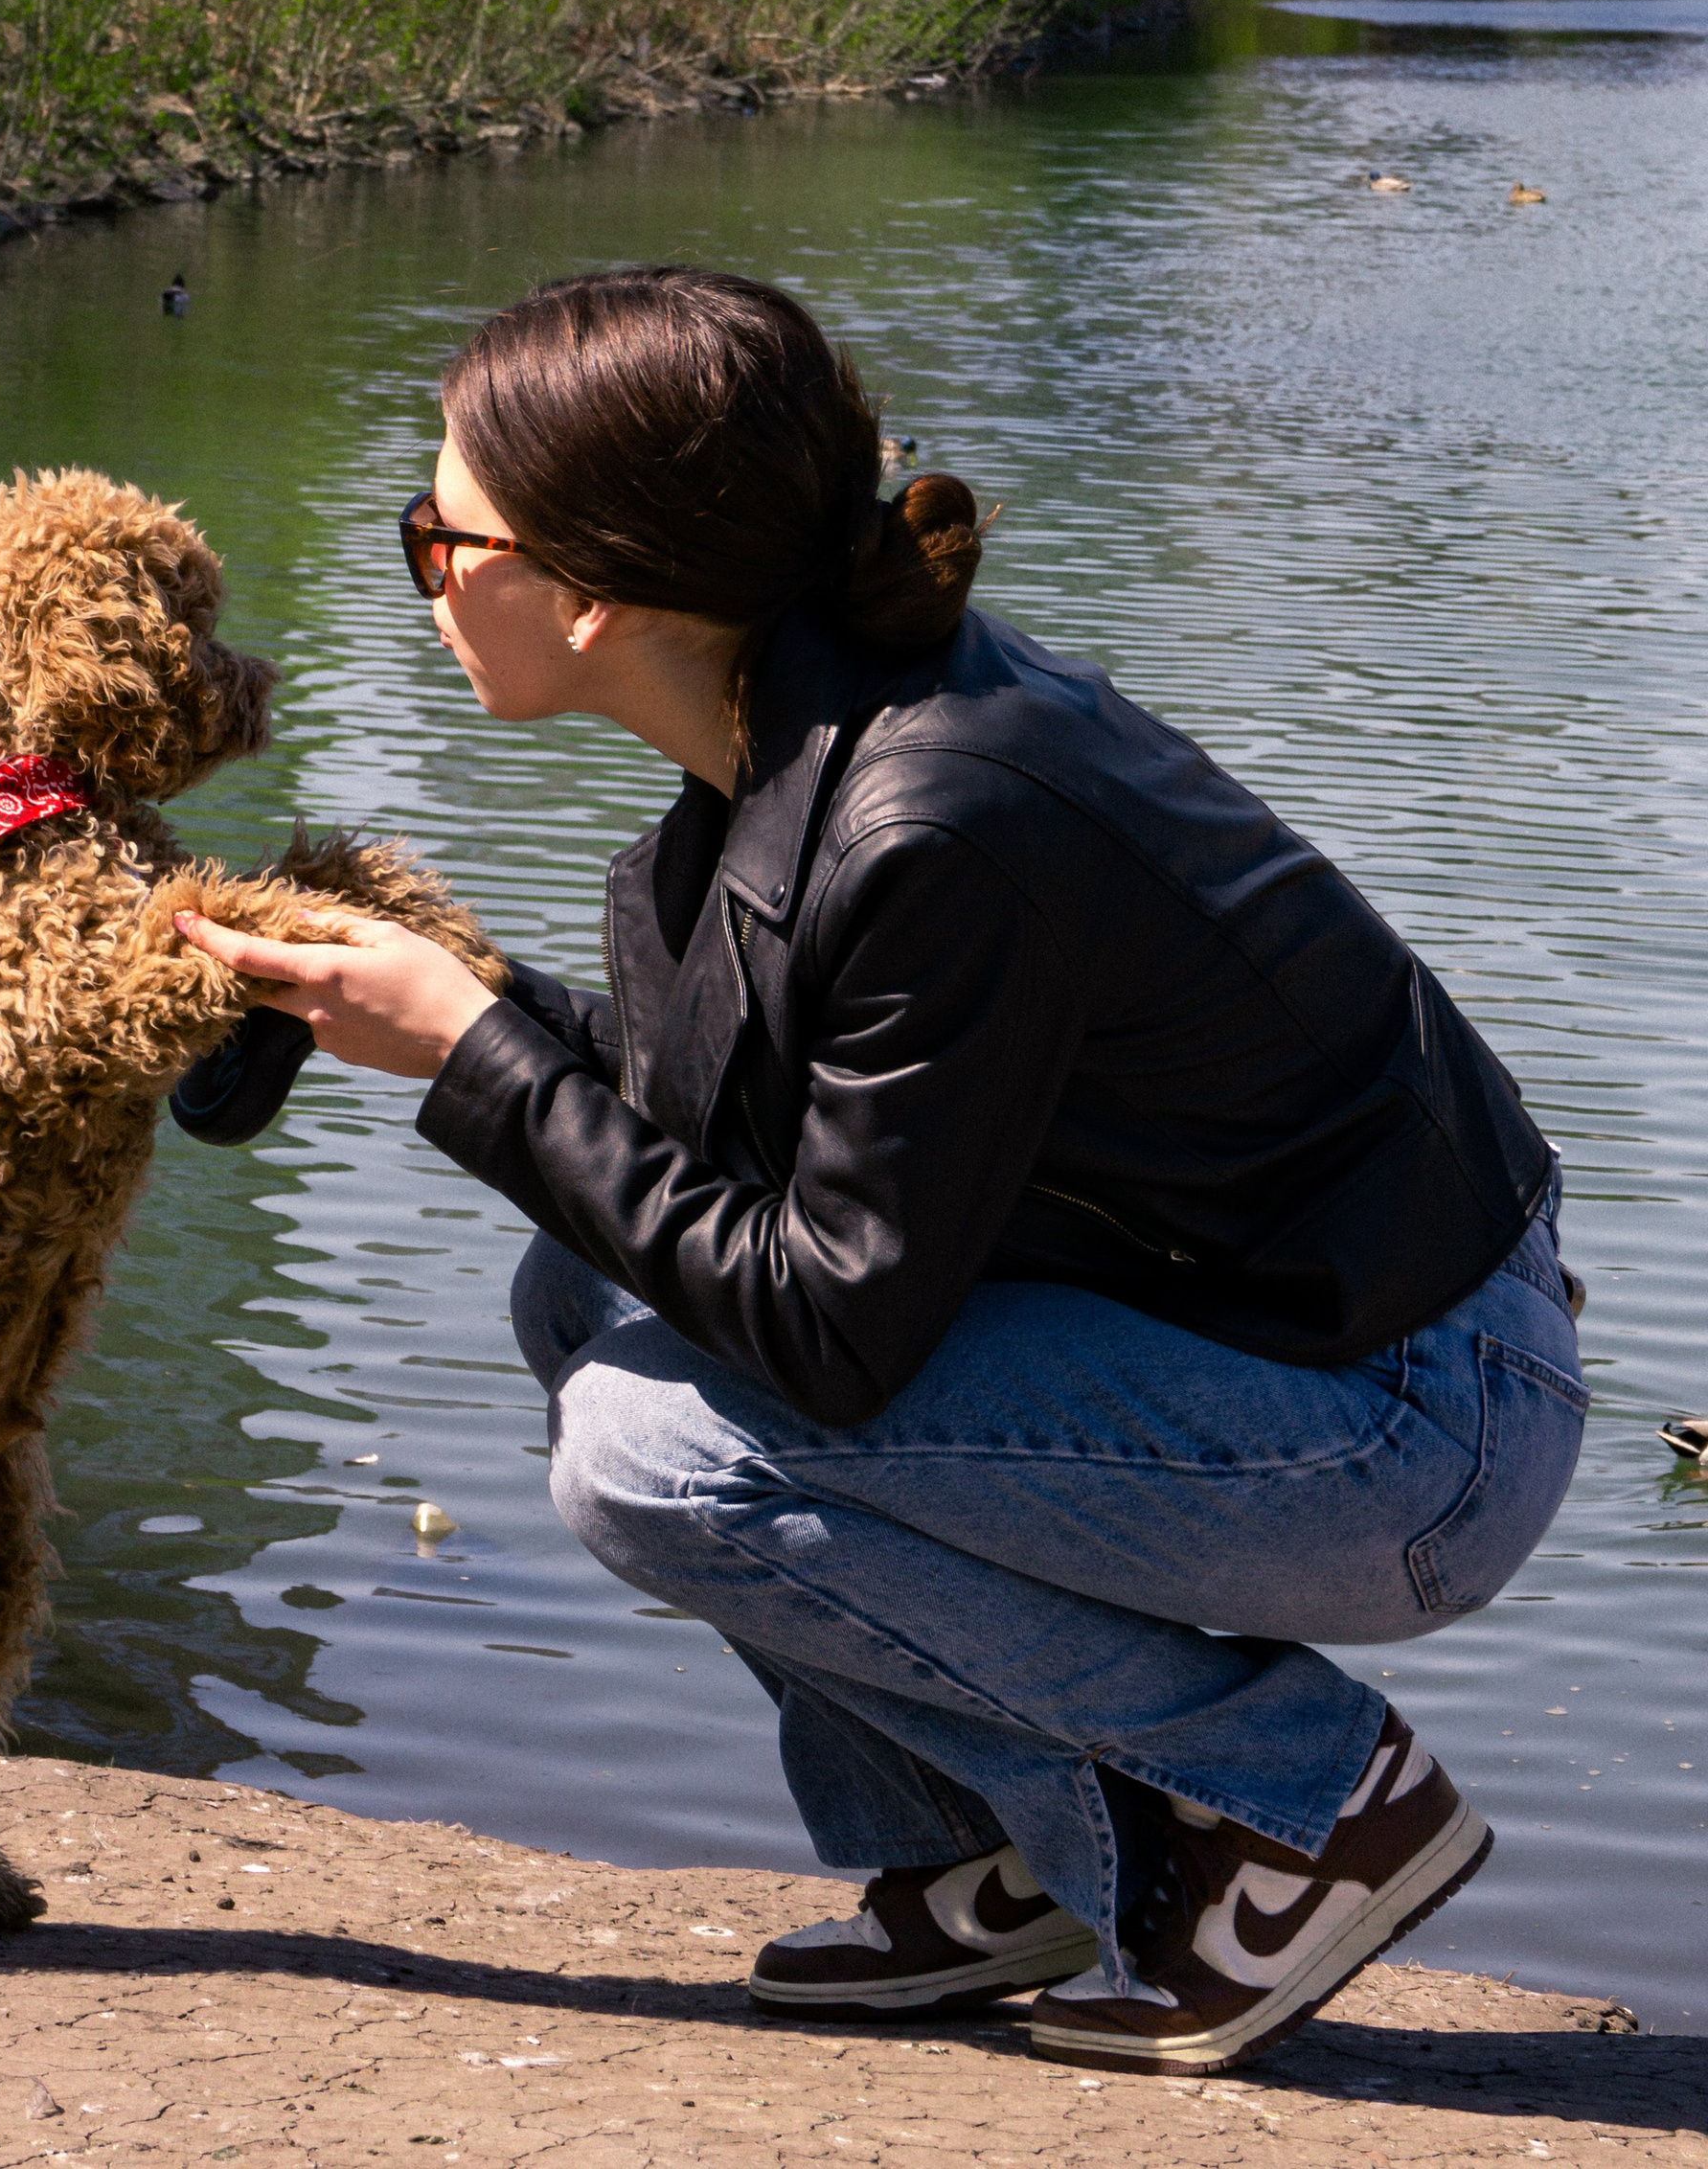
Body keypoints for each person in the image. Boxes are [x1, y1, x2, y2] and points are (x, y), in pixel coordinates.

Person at [176, 266, 1585, 2077]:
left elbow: (826, 1328)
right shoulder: (790, 746)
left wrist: (477, 1049)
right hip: (1268, 1333)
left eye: (439, 535)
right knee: (583, 1286)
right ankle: (1024, 1860)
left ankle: (1306, 1803)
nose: (425, 574)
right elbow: (743, 1164)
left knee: (653, 1446)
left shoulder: (936, 816)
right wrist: (456, 1010)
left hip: (1415, 1417)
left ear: (594, 585)